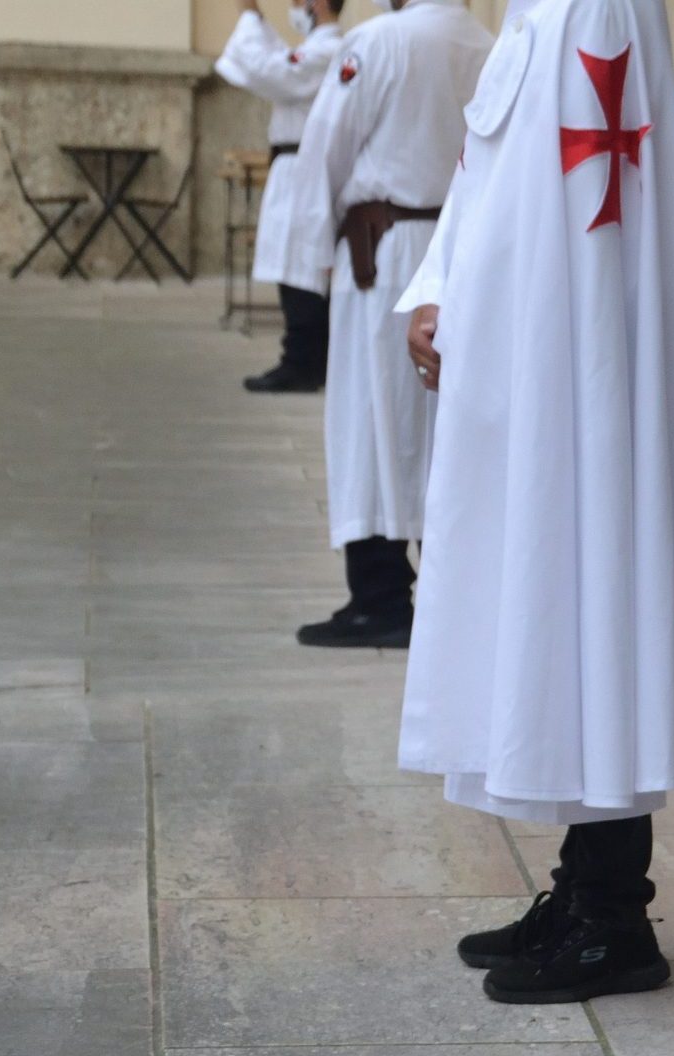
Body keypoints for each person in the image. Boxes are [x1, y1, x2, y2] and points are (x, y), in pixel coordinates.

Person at [395, 0, 674, 1004]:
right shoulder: (534, 12)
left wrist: (529, 357)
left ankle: (613, 921)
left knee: (594, 612)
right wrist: (439, 291)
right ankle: (585, 887)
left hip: (573, 378)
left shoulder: (598, 7)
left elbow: (594, 220)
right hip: (525, 365)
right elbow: (489, 178)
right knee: (561, 621)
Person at [269, 0, 492, 648]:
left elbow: (324, 152)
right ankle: (451, 598)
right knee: (441, 427)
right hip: (456, 259)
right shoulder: (487, 46)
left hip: (384, 256)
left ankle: (379, 596)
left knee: (370, 422)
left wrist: (305, 270)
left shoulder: (378, 42)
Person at [215, 0, 346, 394]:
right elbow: (276, 59)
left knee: (303, 266)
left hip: (306, 169)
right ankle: (305, 359)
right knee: (293, 264)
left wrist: (249, 18)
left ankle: (304, 362)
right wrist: (256, 20)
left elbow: (273, 70)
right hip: (295, 167)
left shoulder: (330, 50)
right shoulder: (315, 50)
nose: (293, 7)